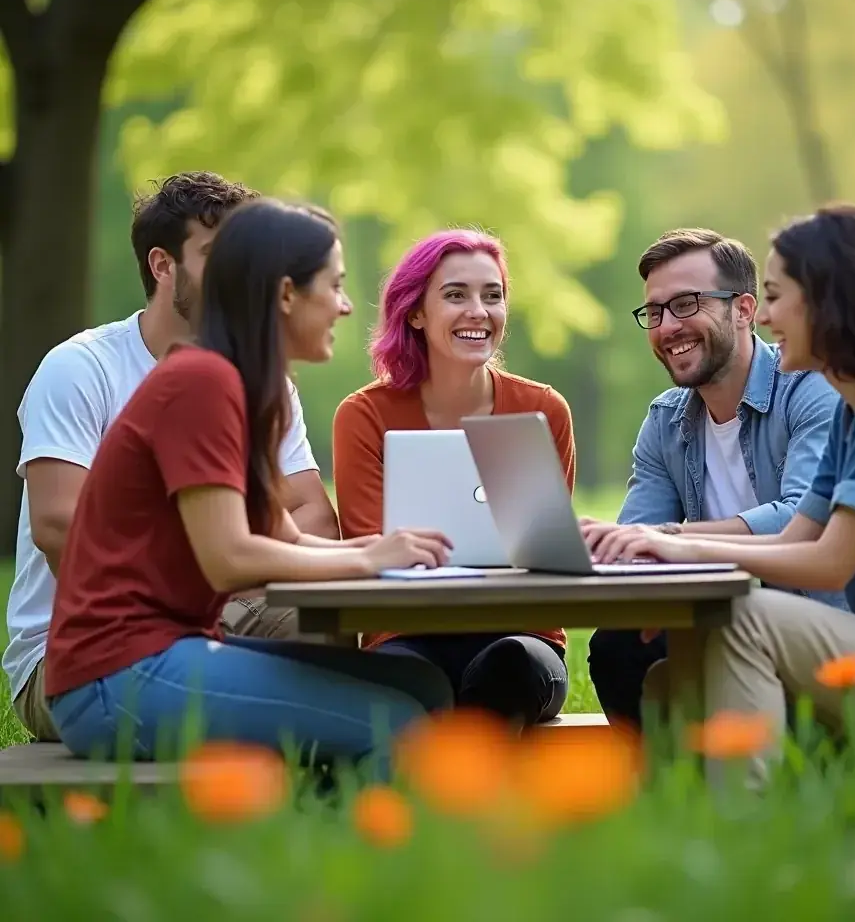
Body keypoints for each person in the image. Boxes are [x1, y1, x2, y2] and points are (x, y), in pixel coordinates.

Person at [591, 204, 855, 781]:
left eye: (774, 296)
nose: (765, 316)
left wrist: (683, 545)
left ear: (827, 298)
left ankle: (745, 833)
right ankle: (703, 835)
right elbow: (797, 537)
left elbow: (830, 563)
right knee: (672, 677)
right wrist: (671, 554)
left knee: (745, 618)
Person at [45, 199, 455, 775]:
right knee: (399, 721)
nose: (343, 305)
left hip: (164, 655)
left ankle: (324, 823)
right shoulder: (203, 382)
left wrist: (380, 550)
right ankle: (349, 859)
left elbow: (283, 539)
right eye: (334, 286)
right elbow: (230, 558)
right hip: (116, 677)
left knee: (423, 684)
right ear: (285, 294)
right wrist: (372, 561)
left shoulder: (251, 391)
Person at [4, 172, 340, 744]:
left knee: (323, 627)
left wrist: (232, 557)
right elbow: (60, 527)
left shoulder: (266, 381)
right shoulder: (81, 368)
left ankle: (295, 790)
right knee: (381, 707)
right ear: (163, 266)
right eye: (218, 256)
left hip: (209, 613)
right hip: (73, 654)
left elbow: (313, 515)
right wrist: (221, 552)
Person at [583, 228, 844, 729]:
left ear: (744, 310)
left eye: (685, 304)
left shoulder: (811, 392)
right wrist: (605, 542)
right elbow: (639, 537)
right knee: (617, 643)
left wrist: (674, 539)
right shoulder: (665, 421)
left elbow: (801, 516)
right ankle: (664, 797)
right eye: (654, 312)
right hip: (710, 613)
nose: (666, 327)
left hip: (814, 614)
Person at [333, 229, 574, 727]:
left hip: (521, 637)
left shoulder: (542, 410)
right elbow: (368, 548)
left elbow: (545, 551)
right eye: (455, 295)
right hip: (405, 635)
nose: (478, 311)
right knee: (406, 686)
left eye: (493, 296)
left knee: (507, 669)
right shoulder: (364, 416)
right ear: (415, 313)